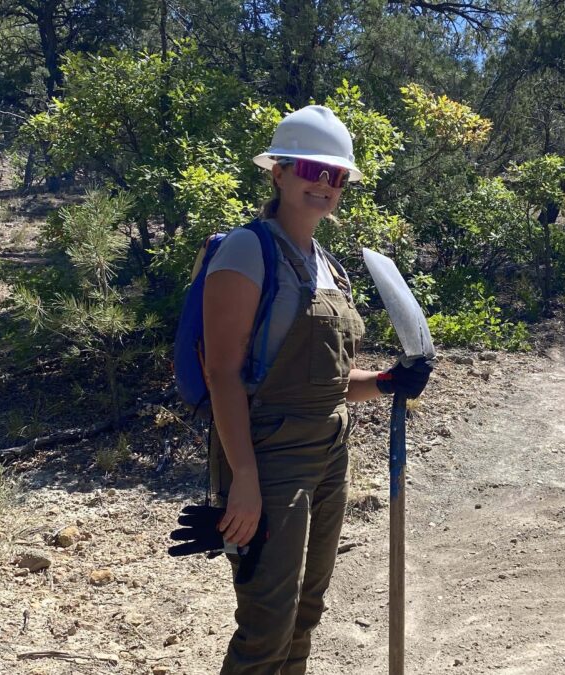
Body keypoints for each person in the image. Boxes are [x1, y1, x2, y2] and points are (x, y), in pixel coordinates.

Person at [202, 105, 432, 674]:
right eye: (311, 168)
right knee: (267, 626)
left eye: (336, 175)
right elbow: (222, 373)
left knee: (306, 613)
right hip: (270, 457)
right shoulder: (246, 250)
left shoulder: (330, 265)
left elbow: (324, 384)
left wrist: (384, 383)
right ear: (278, 171)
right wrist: (246, 483)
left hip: (331, 453)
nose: (324, 184)